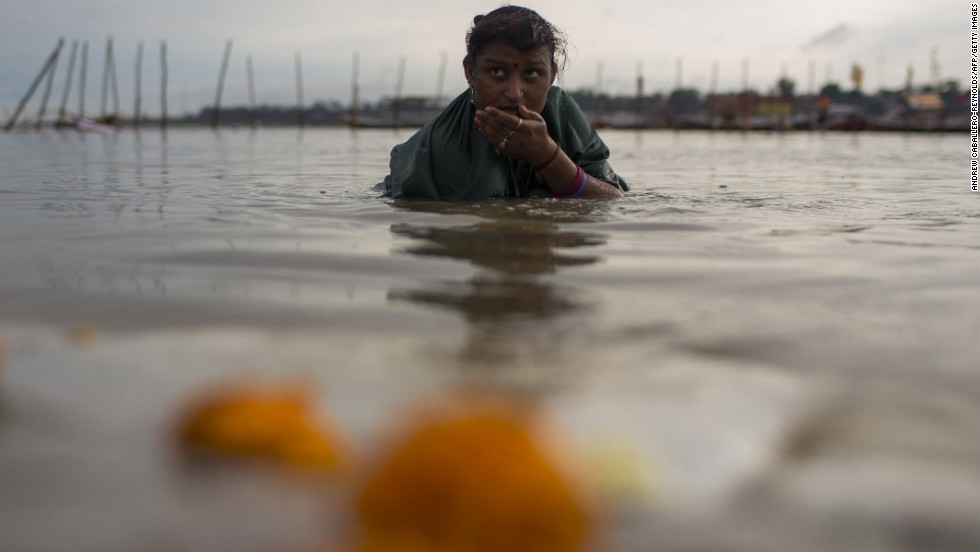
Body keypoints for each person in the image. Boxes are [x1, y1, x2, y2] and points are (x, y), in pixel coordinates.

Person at [379, 6, 628, 200]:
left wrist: (546, 155)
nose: (515, 93)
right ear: (470, 73)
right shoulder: (442, 148)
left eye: (531, 74)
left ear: (551, 76)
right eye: (496, 72)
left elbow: (612, 199)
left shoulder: (560, 110)